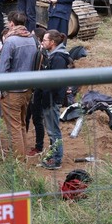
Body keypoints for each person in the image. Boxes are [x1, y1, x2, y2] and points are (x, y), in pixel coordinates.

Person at [0, 11, 38, 159]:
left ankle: (19, 163)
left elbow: (2, 68)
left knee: (14, 128)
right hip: (27, 89)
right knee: (20, 125)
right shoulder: (32, 39)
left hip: (12, 91)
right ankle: (22, 157)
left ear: (12, 23)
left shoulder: (10, 41)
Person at [40, 30, 72, 171]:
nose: (43, 42)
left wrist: (47, 97)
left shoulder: (58, 58)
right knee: (52, 130)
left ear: (52, 43)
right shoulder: (54, 56)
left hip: (52, 99)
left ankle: (57, 160)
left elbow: (55, 82)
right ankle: (53, 156)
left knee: (54, 131)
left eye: (45, 40)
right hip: (50, 98)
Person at [26, 28, 47, 159]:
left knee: (37, 119)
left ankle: (39, 147)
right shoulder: (37, 52)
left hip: (38, 92)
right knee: (27, 117)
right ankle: (22, 143)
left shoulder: (43, 54)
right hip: (33, 90)